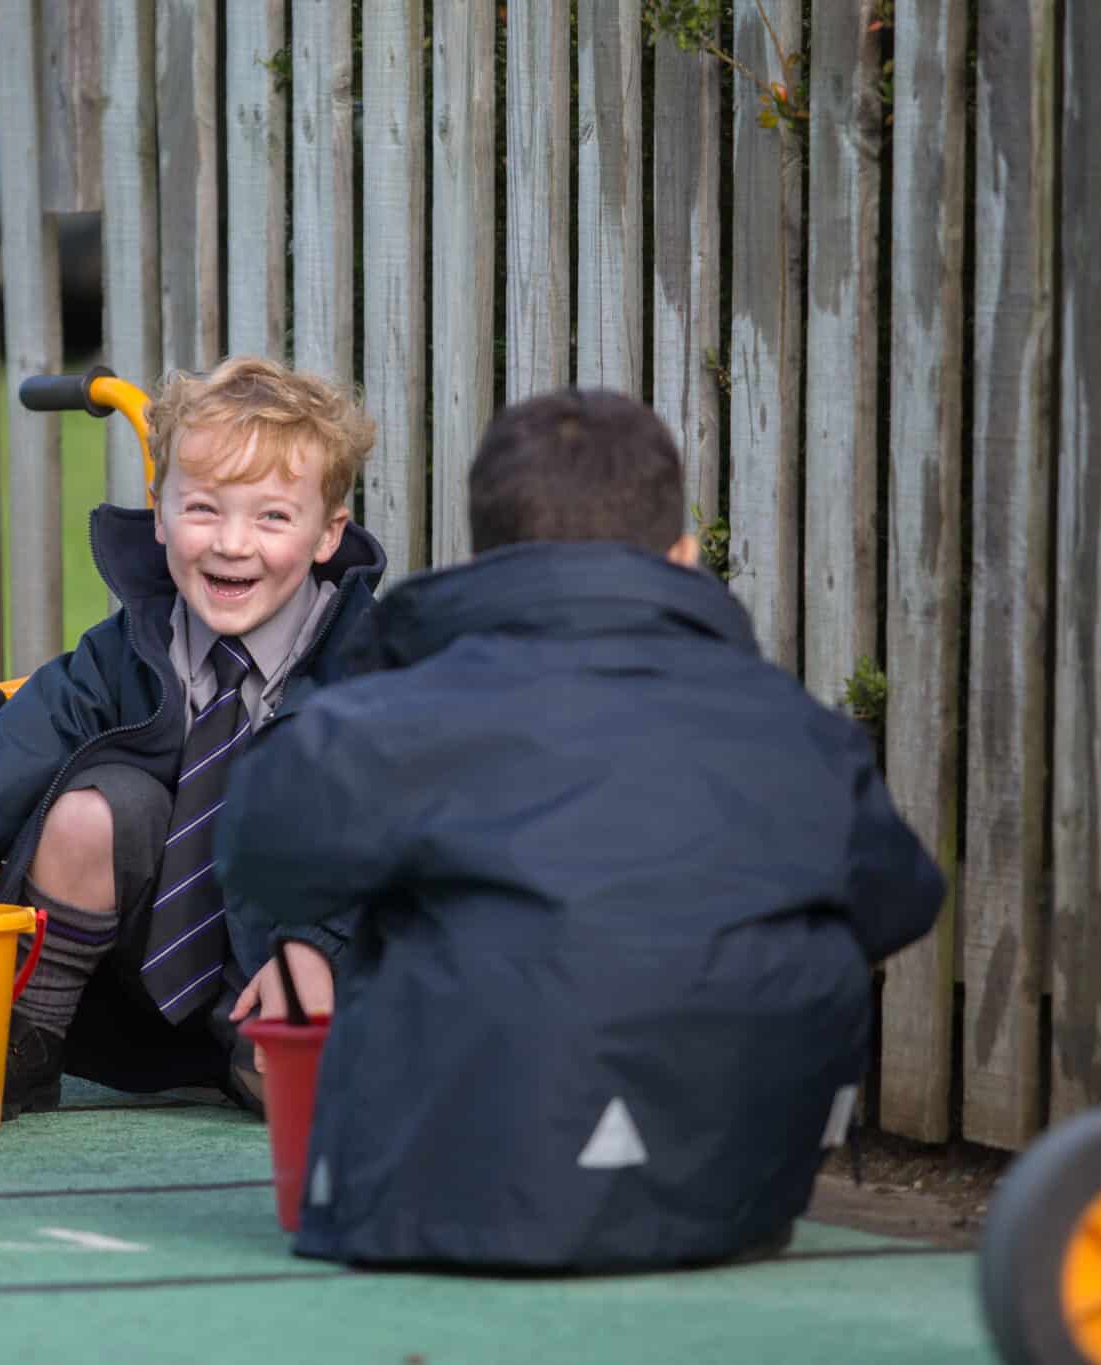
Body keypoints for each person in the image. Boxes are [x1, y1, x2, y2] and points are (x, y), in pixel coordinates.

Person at [213, 388, 946, 1271]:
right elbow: (901, 899)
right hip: (738, 1204)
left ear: (486, 560)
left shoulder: (402, 715)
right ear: (681, 560)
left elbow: (259, 851)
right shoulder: (800, 728)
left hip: (446, 1212)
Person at [0, 356, 385, 1117]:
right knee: (94, 806)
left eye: (272, 516)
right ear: (160, 512)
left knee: (305, 1093)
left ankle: (270, 1055)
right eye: (204, 508)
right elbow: (14, 751)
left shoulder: (363, 672)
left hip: (285, 964)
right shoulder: (126, 650)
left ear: (328, 531)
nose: (233, 543)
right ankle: (29, 1037)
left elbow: (384, 837)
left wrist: (317, 946)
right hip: (127, 989)